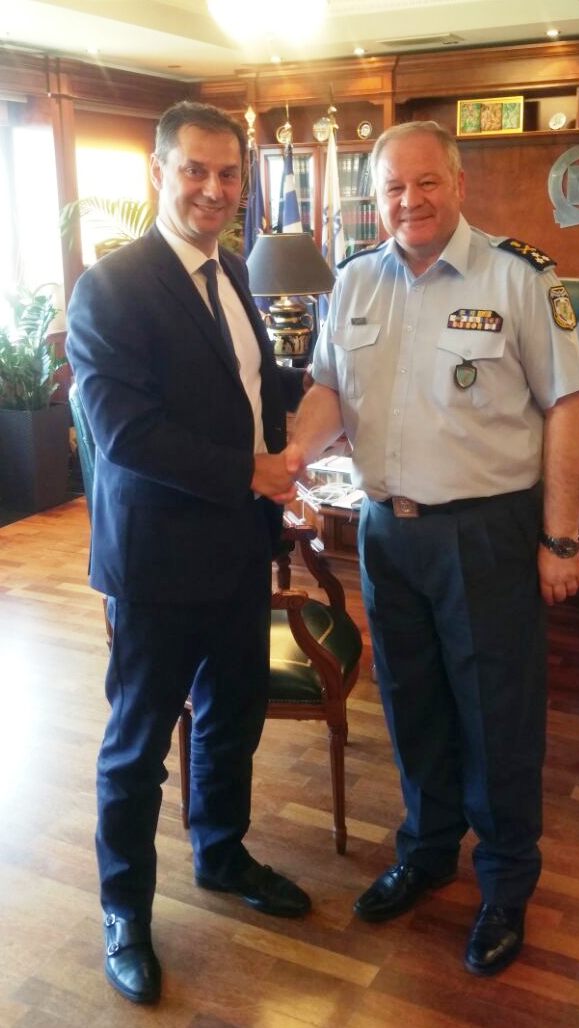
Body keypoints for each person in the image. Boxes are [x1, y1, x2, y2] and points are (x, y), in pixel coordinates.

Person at [289, 120, 579, 976]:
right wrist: (291, 456)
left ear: (458, 184)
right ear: (375, 196)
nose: (410, 201)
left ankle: (505, 883)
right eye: (393, 187)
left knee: (497, 716)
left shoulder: (518, 276)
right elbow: (327, 388)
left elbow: (568, 405)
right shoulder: (353, 281)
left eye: (426, 183)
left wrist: (561, 537)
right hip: (387, 533)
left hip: (486, 533)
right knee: (411, 703)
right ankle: (426, 852)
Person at [66, 100, 309, 1006]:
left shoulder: (232, 269)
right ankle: (124, 912)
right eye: (195, 170)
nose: (214, 188)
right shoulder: (111, 287)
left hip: (240, 549)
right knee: (137, 749)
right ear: (159, 173)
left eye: (228, 173)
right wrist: (253, 472)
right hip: (159, 564)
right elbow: (128, 435)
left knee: (233, 714)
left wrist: (316, 411)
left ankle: (220, 853)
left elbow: (248, 387)